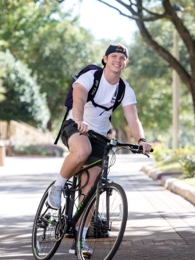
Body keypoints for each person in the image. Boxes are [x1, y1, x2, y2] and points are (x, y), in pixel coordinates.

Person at [47, 43, 152, 256]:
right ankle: (57, 186)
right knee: (82, 150)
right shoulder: (91, 77)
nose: (118, 60)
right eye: (113, 56)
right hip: (75, 125)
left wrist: (141, 139)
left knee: (91, 189)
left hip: (100, 136)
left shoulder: (124, 89)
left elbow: (133, 117)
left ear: (126, 63)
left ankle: (81, 238)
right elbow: (78, 98)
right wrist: (79, 120)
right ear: (105, 59)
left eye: (122, 58)